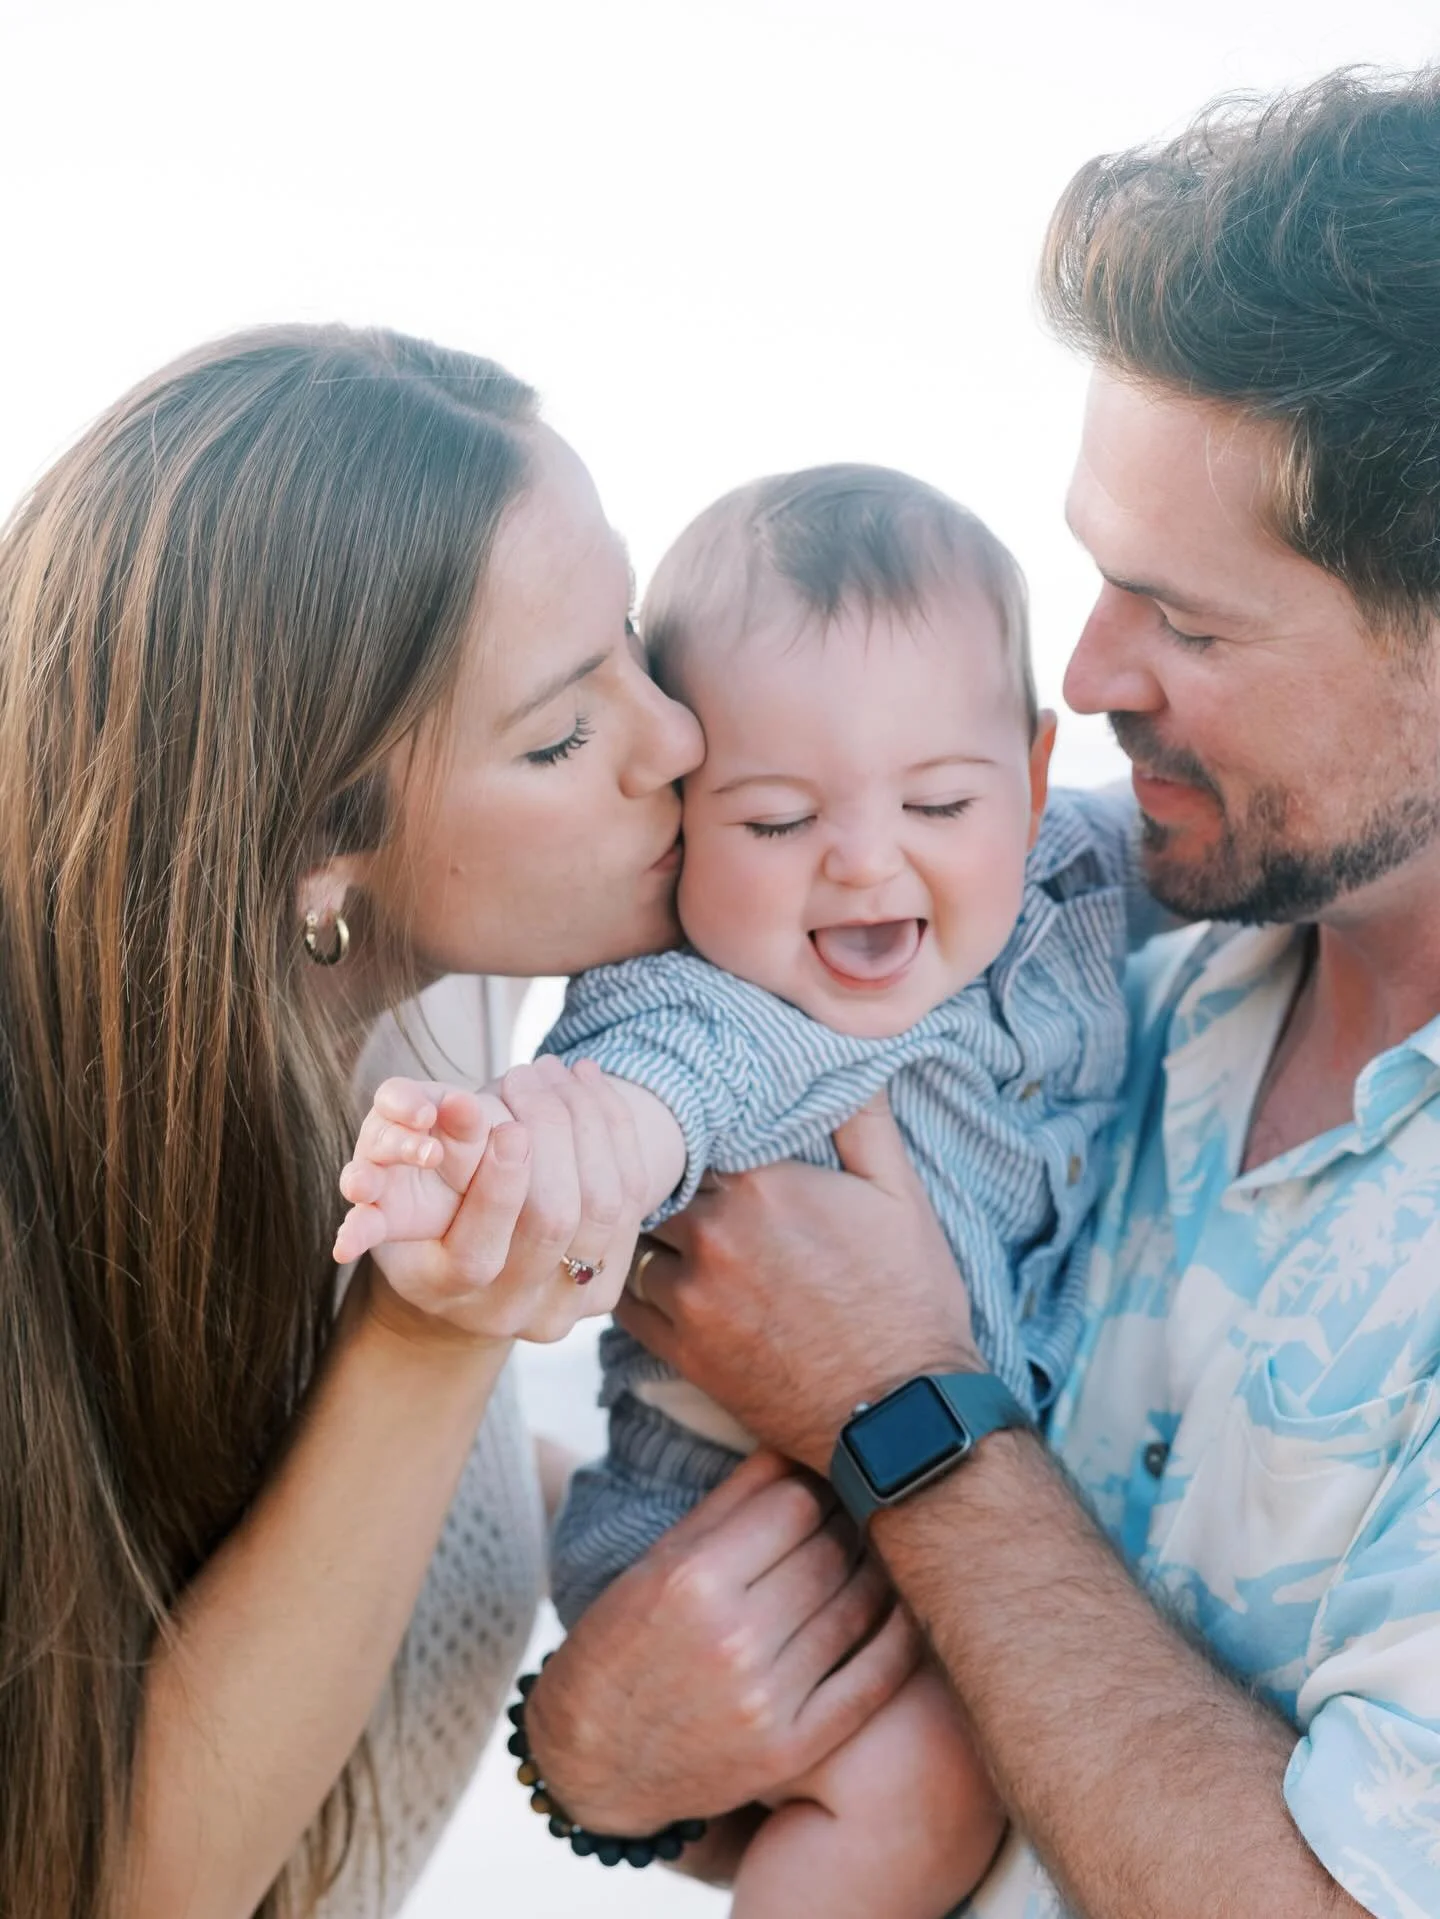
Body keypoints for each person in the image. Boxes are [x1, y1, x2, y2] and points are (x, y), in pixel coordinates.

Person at [520, 66, 1440, 1919]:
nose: (1086, 677)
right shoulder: (1113, 947)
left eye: (1189, 619)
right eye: (1100, 580)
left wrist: (897, 1397)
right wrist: (602, 1758)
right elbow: (952, 1771)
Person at [0, 324, 917, 1919]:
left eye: (630, 636)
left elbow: (373, 1523)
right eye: (561, 735)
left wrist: (649, 1662)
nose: (678, 740)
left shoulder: (446, 1007)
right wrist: (427, 1337)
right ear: (315, 854)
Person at [335, 463, 1142, 1916]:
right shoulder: (711, 997)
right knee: (926, 1786)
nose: (866, 861)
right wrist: (542, 1150)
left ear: (1030, 781)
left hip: (942, 1535)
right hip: (723, 1549)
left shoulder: (1074, 881)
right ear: (685, 826)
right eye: (773, 822)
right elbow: (656, 1094)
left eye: (941, 799)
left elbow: (1228, 851)